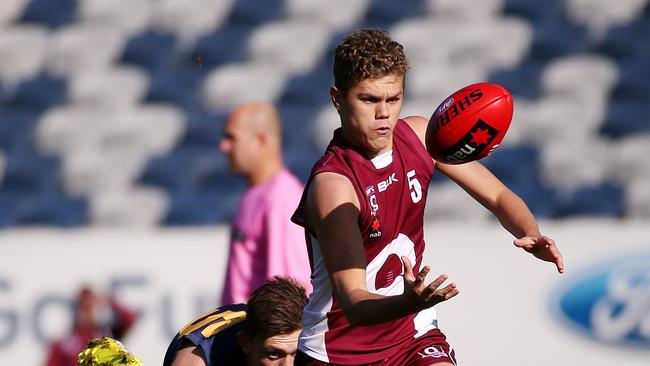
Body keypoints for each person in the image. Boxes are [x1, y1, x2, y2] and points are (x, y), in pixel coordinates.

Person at [291, 29, 565, 366]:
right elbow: (354, 304)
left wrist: (529, 231)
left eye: (393, 99)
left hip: (412, 335)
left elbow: (499, 196)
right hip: (339, 353)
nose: (384, 114)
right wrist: (409, 302)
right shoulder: (334, 186)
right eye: (369, 99)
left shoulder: (421, 137)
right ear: (337, 98)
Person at [219, 101, 312, 305]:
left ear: (261, 139)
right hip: (243, 332)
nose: (223, 147)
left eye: (231, 138)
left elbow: (289, 293)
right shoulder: (256, 192)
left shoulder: (282, 198)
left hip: (259, 333)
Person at [163, 276, 309, 366]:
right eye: (274, 355)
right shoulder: (195, 361)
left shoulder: (315, 344)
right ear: (245, 343)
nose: (288, 365)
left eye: (297, 354)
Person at [44, 286, 137, 366]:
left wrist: (109, 300)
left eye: (91, 307)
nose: (88, 313)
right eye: (84, 307)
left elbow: (130, 320)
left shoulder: (109, 336)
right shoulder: (65, 345)